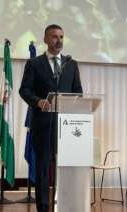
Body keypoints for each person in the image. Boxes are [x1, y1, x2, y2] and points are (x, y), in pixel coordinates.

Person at [19, 24, 83, 212]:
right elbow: (24, 90)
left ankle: (66, 204)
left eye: (61, 37)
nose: (59, 40)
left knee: (66, 170)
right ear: (46, 39)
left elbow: (78, 90)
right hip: (43, 125)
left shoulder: (71, 64)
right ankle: (44, 207)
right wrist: (38, 101)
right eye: (54, 37)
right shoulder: (34, 64)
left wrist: (75, 100)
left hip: (67, 126)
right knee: (43, 170)